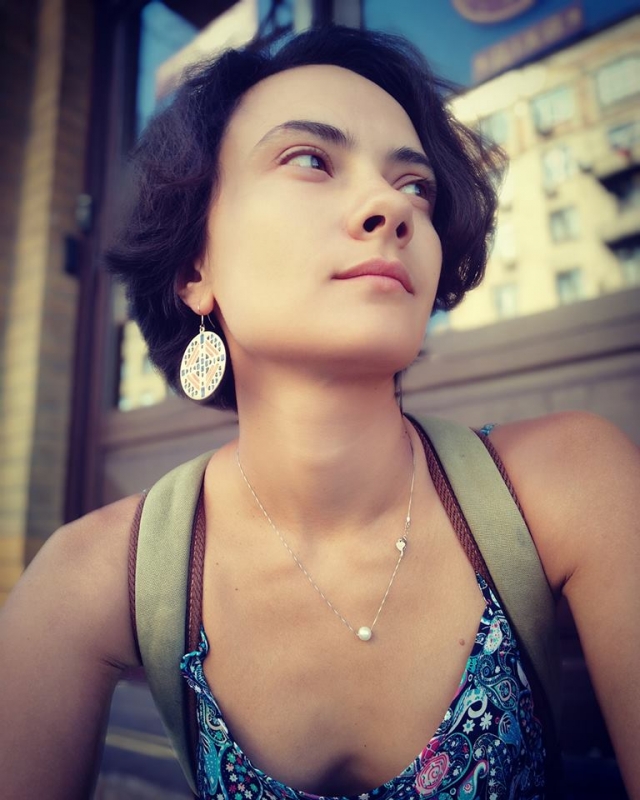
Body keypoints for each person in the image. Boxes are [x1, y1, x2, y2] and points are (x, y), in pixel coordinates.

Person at [1, 25, 638, 800]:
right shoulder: (91, 577)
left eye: (415, 186)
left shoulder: (574, 482)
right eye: (310, 160)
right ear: (196, 265)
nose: (392, 206)